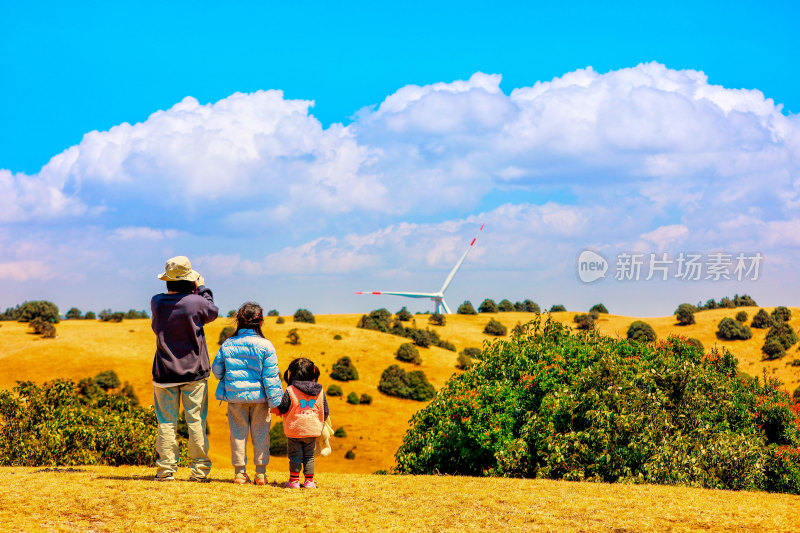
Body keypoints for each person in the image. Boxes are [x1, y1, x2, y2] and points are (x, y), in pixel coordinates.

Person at [150, 256, 219, 482]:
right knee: (195, 421)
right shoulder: (196, 302)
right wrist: (202, 287)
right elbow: (212, 311)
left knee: (166, 422)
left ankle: (165, 470)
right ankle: (199, 471)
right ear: (190, 281)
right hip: (194, 372)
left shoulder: (157, 302)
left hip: (164, 372)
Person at [212, 302, 283, 485]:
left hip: (235, 398)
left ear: (239, 321)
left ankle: (240, 474)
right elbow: (271, 378)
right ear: (260, 322)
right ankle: (260, 474)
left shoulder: (227, 344)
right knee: (261, 435)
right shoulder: (266, 346)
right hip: (261, 400)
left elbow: (217, 372)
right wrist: (277, 403)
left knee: (237, 434)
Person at [273, 357, 329, 489]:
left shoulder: (291, 390)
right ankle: (309, 482)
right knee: (309, 456)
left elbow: (283, 407)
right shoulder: (320, 391)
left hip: (294, 430)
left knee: (295, 456)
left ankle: (294, 481)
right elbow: (325, 410)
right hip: (312, 430)